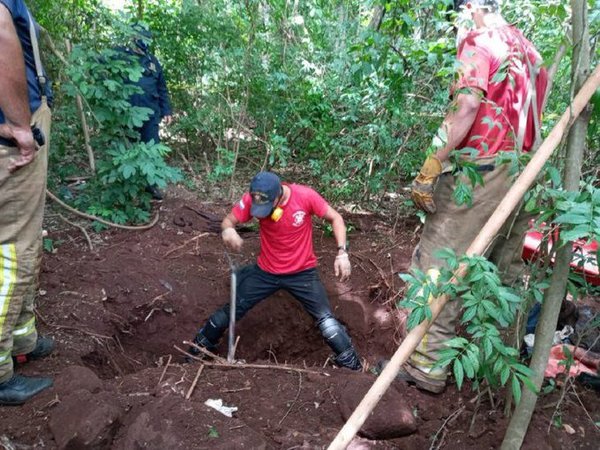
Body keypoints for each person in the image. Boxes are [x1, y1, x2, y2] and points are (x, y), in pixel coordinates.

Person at [383, 0, 548, 393]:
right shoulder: (530, 51)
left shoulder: (479, 40)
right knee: (502, 272)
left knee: (439, 264)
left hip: (481, 170)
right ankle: (498, 371)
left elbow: (467, 105)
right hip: (524, 171)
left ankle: (426, 366)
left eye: (454, 16)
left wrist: (431, 165)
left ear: (469, 7)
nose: (453, 27)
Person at [188, 171, 363, 370]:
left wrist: (342, 253)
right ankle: (196, 351)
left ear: (278, 196)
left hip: (302, 273)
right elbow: (228, 220)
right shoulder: (252, 198)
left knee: (326, 321)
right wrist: (228, 229)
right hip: (266, 272)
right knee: (231, 310)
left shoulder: (305, 196)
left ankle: (353, 367)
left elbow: (336, 218)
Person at [0, 0, 55, 405]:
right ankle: (1, 373)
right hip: (11, 139)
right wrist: (20, 126)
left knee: (26, 241)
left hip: (15, 131)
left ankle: (22, 339)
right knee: (12, 252)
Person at [122, 23, 173, 200]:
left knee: (152, 149)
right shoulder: (123, 57)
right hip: (128, 115)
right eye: (141, 38)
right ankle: (129, 188)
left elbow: (162, 87)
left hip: (151, 114)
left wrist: (167, 110)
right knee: (128, 149)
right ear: (134, 38)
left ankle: (151, 187)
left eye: (146, 38)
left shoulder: (153, 62)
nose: (144, 41)